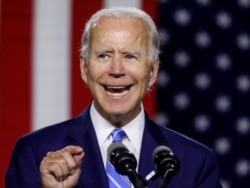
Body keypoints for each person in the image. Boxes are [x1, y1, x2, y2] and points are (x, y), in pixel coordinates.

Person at [5, 7, 222, 188]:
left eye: (130, 56)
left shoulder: (195, 162)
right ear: (84, 67)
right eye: (103, 55)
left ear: (153, 71)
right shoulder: (34, 153)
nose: (116, 69)